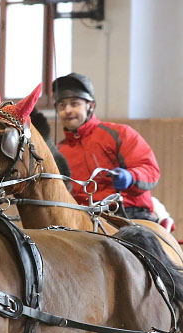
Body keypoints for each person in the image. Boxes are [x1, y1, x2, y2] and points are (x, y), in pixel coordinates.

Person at [53, 73, 161, 222]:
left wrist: (131, 177)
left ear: (90, 106)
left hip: (128, 214)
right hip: (82, 220)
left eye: (74, 103)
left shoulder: (120, 134)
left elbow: (150, 170)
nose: (68, 110)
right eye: (62, 105)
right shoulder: (58, 152)